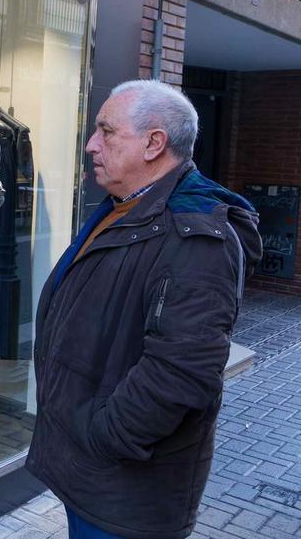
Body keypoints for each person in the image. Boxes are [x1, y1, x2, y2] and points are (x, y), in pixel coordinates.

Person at [26, 79, 262, 539]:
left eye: (106, 131)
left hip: (126, 493)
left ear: (154, 143)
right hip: (93, 477)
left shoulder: (195, 236)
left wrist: (103, 437)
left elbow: (182, 371)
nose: (92, 145)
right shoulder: (125, 207)